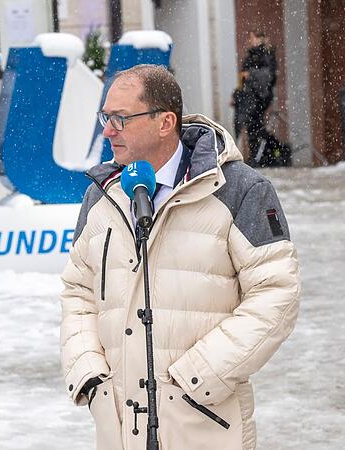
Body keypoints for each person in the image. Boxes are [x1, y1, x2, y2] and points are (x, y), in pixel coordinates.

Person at [60, 65, 299, 449]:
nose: (107, 131)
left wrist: (196, 378)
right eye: (106, 118)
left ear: (164, 122)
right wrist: (89, 371)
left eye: (120, 119)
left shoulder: (239, 190)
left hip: (203, 421)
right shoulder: (101, 196)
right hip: (120, 426)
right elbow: (78, 293)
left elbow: (277, 294)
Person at [232, 30, 281, 166]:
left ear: (260, 39)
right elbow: (242, 79)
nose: (250, 41)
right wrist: (237, 95)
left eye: (252, 38)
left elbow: (268, 76)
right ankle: (257, 155)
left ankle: (263, 155)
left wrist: (251, 74)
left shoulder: (265, 55)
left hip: (259, 97)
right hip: (249, 97)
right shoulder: (251, 56)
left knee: (255, 126)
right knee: (250, 126)